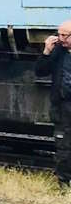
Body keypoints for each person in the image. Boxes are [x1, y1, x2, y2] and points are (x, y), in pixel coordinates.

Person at [35, 19, 71, 188]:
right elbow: (40, 71)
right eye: (59, 34)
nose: (61, 38)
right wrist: (46, 52)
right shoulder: (58, 52)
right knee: (64, 146)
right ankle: (64, 183)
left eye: (65, 35)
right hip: (62, 107)